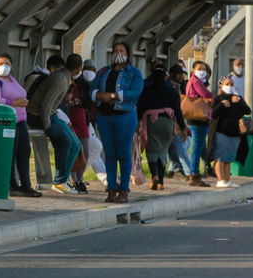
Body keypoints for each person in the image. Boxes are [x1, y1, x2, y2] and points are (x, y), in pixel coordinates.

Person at [91, 42, 144, 203]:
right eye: (115, 51)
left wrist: (114, 96)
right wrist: (100, 95)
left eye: (121, 51)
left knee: (123, 153)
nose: (117, 53)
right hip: (104, 116)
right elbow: (92, 90)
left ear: (127, 54)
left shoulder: (133, 73)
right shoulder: (103, 71)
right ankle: (111, 188)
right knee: (110, 154)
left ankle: (124, 190)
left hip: (125, 115)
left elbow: (135, 91)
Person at [0, 54, 41, 198]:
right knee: (10, 153)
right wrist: (14, 103)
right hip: (7, 122)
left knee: (24, 152)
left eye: (7, 64)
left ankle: (26, 185)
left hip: (20, 120)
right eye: (1, 63)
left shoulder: (11, 79)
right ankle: (12, 185)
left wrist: (23, 102)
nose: (4, 66)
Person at [27, 55, 81, 195]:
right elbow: (46, 103)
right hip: (38, 116)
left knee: (75, 144)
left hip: (50, 114)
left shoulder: (64, 77)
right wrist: (47, 125)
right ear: (78, 69)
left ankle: (63, 179)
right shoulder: (61, 80)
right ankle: (59, 182)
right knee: (64, 141)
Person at [137, 61, 186, 191]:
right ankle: (161, 182)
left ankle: (155, 176)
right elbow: (178, 111)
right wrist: (183, 127)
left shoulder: (146, 88)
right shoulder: (172, 90)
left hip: (152, 122)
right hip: (167, 123)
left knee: (152, 150)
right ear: (165, 75)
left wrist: (137, 123)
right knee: (163, 151)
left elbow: (140, 107)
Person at [210, 75, 251, 188]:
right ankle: (220, 180)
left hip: (235, 134)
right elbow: (212, 114)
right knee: (220, 157)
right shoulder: (218, 99)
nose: (229, 86)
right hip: (221, 132)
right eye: (227, 84)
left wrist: (239, 102)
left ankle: (227, 180)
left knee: (228, 158)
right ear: (221, 86)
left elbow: (248, 111)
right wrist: (222, 104)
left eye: (231, 84)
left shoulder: (237, 98)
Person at [64, 53, 93, 193]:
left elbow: (90, 101)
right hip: (68, 120)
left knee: (85, 152)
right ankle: (74, 180)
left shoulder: (83, 83)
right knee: (73, 150)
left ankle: (79, 179)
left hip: (81, 120)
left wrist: (79, 101)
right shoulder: (64, 80)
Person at [185, 60, 214, 183]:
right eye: (199, 69)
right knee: (197, 147)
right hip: (198, 118)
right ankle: (194, 174)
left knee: (200, 147)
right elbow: (205, 94)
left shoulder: (195, 81)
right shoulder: (195, 82)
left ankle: (202, 169)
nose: (202, 71)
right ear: (193, 70)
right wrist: (212, 96)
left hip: (196, 118)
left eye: (204, 69)